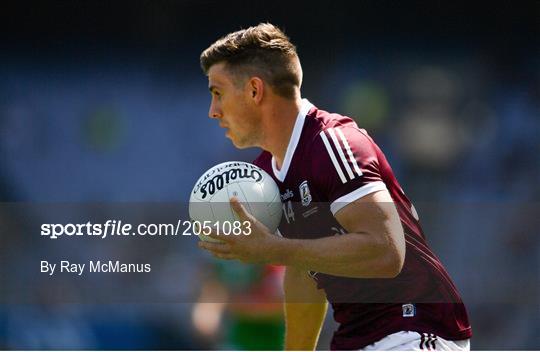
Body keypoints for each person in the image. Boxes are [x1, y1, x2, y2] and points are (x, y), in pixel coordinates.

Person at [197, 23, 472, 350]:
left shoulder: (333, 143)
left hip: (413, 327)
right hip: (357, 338)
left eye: (218, 93)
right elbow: (304, 272)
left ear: (255, 90)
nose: (213, 111)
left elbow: (386, 251)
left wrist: (274, 249)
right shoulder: (264, 177)